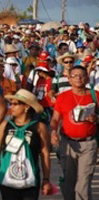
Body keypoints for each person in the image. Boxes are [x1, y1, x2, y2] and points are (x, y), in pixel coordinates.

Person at [0, 89, 51, 200]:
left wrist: (46, 179)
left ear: (27, 107)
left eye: (15, 104)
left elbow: (45, 154)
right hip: (7, 180)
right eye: (10, 103)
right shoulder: (5, 125)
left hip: (30, 181)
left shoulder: (39, 127)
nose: (11, 107)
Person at [50, 65, 98, 200]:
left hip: (88, 144)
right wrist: (53, 132)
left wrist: (96, 119)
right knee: (68, 181)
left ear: (87, 78)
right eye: (75, 76)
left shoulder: (95, 96)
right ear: (69, 79)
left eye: (81, 75)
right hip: (68, 143)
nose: (78, 78)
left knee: (83, 183)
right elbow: (55, 119)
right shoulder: (63, 97)